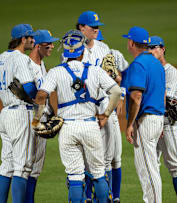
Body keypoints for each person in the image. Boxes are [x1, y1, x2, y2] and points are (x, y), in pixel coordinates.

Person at [32, 29, 121, 203]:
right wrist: (105, 115)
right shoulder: (95, 71)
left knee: (75, 176)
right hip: (90, 126)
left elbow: (41, 96)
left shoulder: (56, 72)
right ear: (82, 52)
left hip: (67, 128)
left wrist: (36, 121)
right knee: (98, 173)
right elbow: (116, 91)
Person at [121, 26, 166, 203]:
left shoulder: (139, 64)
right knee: (147, 168)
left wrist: (130, 124)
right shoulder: (157, 63)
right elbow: (161, 94)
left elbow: (137, 96)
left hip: (146, 121)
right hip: (157, 119)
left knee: (148, 169)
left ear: (131, 43)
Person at [0, 24, 37, 203]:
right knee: (22, 167)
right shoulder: (21, 59)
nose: (33, 40)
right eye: (30, 38)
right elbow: (29, 87)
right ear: (22, 39)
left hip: (5, 115)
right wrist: (36, 96)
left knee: (6, 166)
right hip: (20, 115)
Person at [148, 36, 177, 203]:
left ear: (163, 49)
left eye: (155, 47)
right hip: (150, 123)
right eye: (148, 48)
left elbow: (165, 101)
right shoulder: (148, 70)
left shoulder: (171, 72)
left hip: (167, 123)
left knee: (174, 164)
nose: (151, 51)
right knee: (151, 166)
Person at [25, 29, 59, 203]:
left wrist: (50, 110)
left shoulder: (41, 64)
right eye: (48, 44)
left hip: (40, 119)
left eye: (52, 43)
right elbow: (33, 97)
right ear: (37, 46)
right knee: (28, 166)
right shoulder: (28, 65)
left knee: (35, 166)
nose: (52, 46)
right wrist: (37, 122)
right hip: (32, 121)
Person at [96, 29, 129, 203]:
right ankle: (101, 197)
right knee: (103, 161)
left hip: (111, 114)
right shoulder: (86, 60)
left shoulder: (113, 54)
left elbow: (125, 74)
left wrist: (121, 93)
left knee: (116, 158)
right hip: (98, 113)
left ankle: (115, 197)